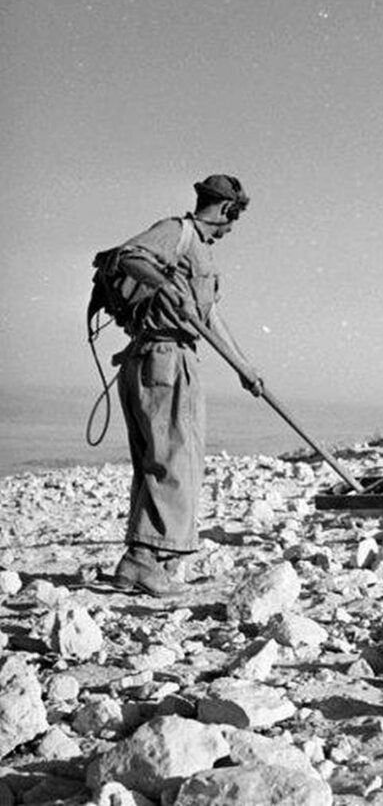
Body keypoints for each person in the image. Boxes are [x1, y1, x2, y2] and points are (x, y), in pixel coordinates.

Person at [109, 175, 263, 596]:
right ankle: (143, 560)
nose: (231, 230)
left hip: (168, 356)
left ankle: (143, 563)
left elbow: (209, 317)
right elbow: (128, 256)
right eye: (234, 219)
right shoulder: (177, 232)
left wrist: (243, 367)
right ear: (227, 209)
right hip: (164, 357)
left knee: (164, 458)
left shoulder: (199, 251)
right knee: (173, 461)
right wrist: (163, 286)